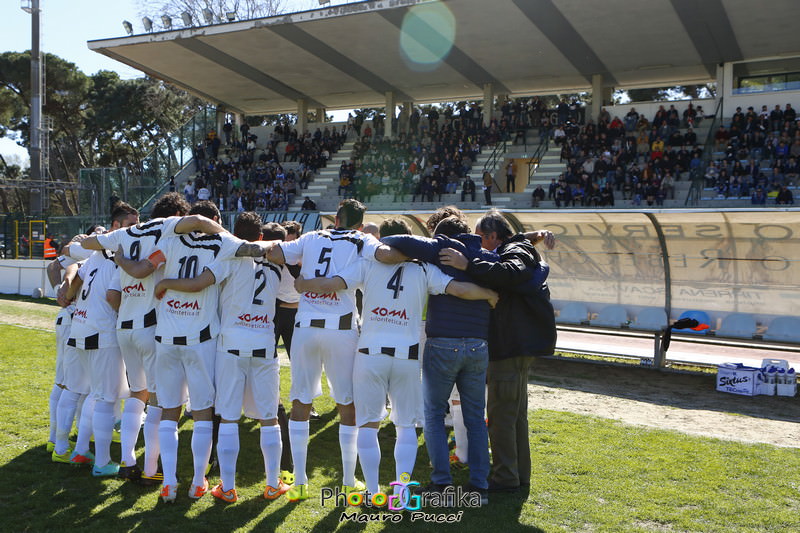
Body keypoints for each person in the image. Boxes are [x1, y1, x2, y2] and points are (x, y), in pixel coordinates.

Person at [294, 218, 498, 498]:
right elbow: (460, 289)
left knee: (368, 424)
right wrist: (490, 294)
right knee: (405, 426)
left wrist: (304, 284)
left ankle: (374, 491)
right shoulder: (424, 267)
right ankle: (401, 491)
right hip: (406, 356)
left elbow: (333, 283)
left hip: (370, 354)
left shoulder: (367, 263)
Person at [264, 199, 402, 502]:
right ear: (359, 222)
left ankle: (299, 482)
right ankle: (348, 479)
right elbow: (385, 255)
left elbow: (275, 252)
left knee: (301, 399)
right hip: (341, 330)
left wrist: (300, 275)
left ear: (336, 219)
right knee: (346, 405)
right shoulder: (363, 239)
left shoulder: (312, 237)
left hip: (305, 327)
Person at [155, 212, 286, 503]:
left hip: (230, 345)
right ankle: (273, 484)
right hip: (265, 344)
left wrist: (167, 283)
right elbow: (292, 297)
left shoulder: (227, 257)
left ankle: (227, 488)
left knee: (228, 418)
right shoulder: (279, 263)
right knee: (269, 418)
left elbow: (200, 282)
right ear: (261, 238)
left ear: (230, 234)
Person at [438, 209, 556, 492]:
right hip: (518, 344)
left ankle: (504, 478)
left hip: (511, 346)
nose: (476, 245)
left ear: (492, 236)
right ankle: (517, 476)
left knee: (502, 416)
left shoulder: (514, 250)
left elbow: (510, 271)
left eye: (480, 239)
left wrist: (469, 265)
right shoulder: (518, 246)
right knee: (514, 416)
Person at [80, 192, 191, 484]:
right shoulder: (167, 241)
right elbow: (145, 270)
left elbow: (113, 294)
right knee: (158, 400)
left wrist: (116, 256)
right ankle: (151, 470)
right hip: (150, 327)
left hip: (125, 327)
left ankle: (128, 460)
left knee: (137, 394)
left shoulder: (127, 238)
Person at [63, 202, 141, 476]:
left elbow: (76, 281)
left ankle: (81, 450)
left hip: (82, 328)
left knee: (96, 396)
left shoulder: (97, 253)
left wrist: (70, 297)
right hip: (102, 333)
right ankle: (102, 463)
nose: (136, 229)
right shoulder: (114, 255)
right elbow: (112, 296)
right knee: (106, 400)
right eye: (132, 224)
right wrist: (130, 313)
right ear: (116, 226)